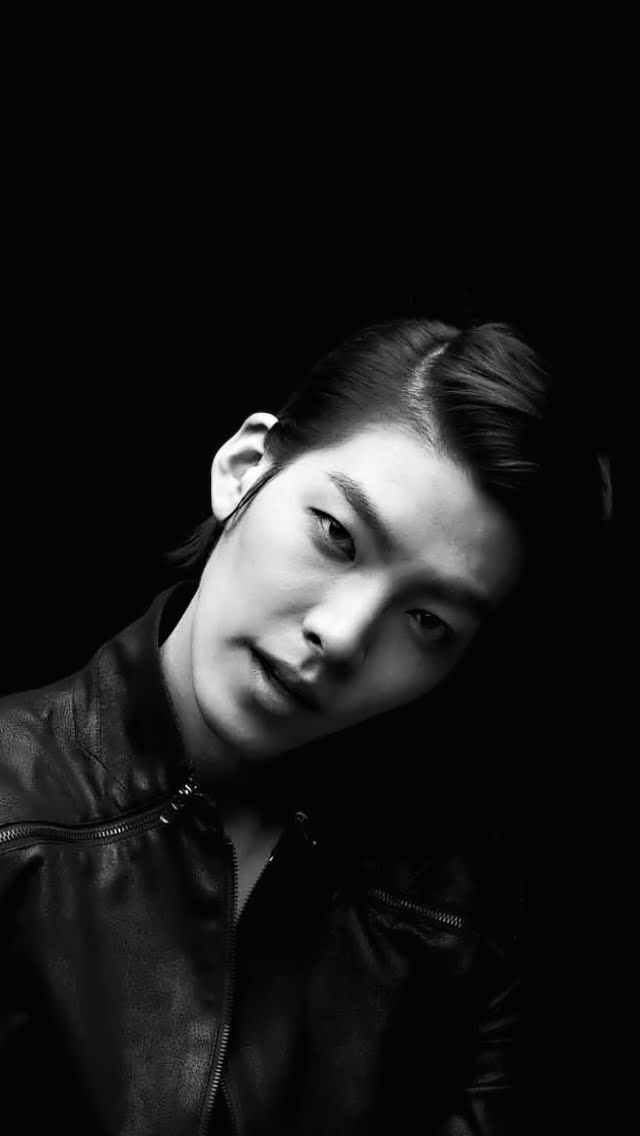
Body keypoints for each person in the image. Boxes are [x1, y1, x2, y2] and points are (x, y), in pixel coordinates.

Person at [0, 317, 611, 1135]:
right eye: (336, 536)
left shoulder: (467, 910)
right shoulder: (13, 816)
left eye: (427, 621)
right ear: (243, 467)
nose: (345, 635)